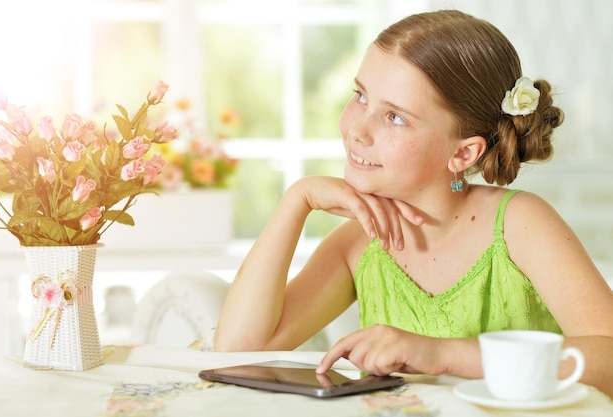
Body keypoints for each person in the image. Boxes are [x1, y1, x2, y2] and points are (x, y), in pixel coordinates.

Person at [213, 9, 613, 397]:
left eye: (396, 118)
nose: (357, 129)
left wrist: (442, 354)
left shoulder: (520, 225)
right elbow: (237, 353)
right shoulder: (357, 243)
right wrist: (295, 202)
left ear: (463, 153)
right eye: (360, 96)